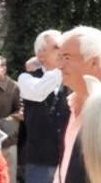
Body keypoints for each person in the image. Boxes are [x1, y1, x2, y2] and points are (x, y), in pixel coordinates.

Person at [55, 26, 101, 183]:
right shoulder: (72, 103)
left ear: (94, 63)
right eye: (59, 58)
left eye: (67, 58)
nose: (60, 65)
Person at [17, 30, 70, 183]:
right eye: (56, 47)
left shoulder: (73, 79)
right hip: (40, 162)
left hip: (70, 160)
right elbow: (38, 92)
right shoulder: (26, 78)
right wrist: (64, 67)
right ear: (40, 54)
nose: (62, 51)